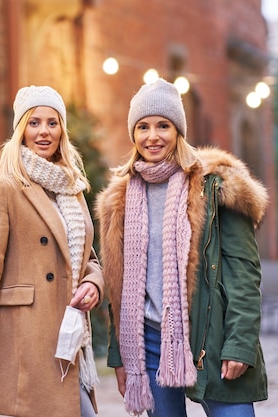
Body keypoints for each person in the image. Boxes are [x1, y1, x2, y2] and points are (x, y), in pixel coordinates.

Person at [95, 78, 268, 417]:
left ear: (178, 131)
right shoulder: (120, 200)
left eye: (163, 125)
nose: (152, 136)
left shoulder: (214, 188)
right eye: (143, 127)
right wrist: (120, 357)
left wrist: (240, 344)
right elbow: (119, 285)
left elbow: (245, 275)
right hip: (149, 343)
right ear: (134, 134)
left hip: (212, 338)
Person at [0, 85, 104, 417]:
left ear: (62, 131)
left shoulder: (72, 187)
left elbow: (88, 258)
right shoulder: (4, 187)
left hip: (70, 338)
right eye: (34, 122)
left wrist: (93, 283)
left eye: (52, 123)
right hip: (29, 340)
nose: (44, 131)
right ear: (21, 130)